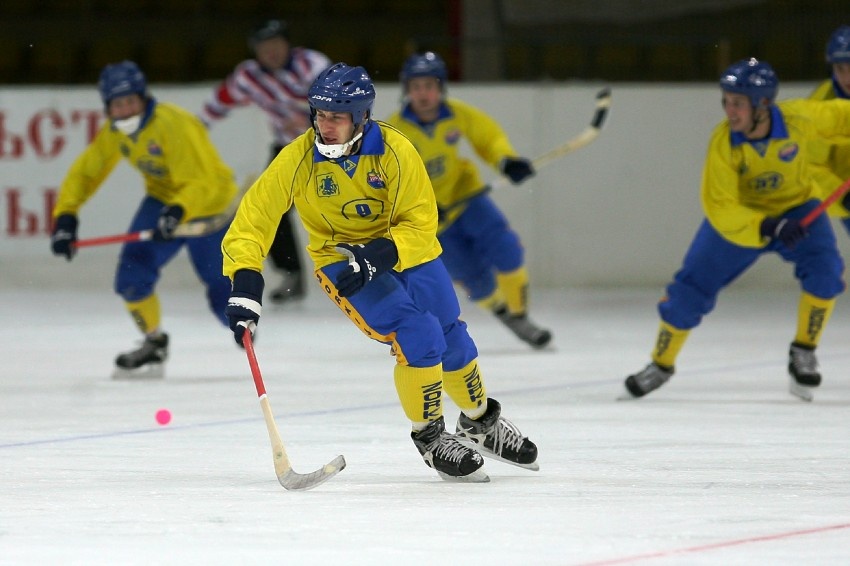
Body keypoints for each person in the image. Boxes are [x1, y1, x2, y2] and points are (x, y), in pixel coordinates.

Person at [222, 62, 539, 482]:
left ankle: (480, 423)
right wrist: (245, 280)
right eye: (320, 115)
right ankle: (430, 437)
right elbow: (253, 221)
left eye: (337, 117)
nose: (325, 126)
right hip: (341, 262)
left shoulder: (395, 150)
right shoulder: (297, 158)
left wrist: (379, 254)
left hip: (405, 251)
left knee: (451, 335)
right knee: (417, 332)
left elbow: (421, 220)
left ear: (361, 116)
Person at [621, 58, 850, 402]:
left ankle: (804, 350)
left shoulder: (798, 118)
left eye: (738, 103)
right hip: (743, 222)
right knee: (688, 292)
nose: (730, 111)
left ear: (764, 103)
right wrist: (768, 225)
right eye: (726, 101)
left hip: (797, 210)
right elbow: (721, 206)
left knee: (826, 273)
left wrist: (782, 220)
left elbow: (842, 115)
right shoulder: (724, 142)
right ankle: (661, 364)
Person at [50, 61, 238, 379]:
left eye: (130, 101)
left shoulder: (174, 124)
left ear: (143, 97)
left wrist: (177, 211)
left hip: (209, 209)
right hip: (165, 203)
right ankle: (154, 342)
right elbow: (86, 172)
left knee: (223, 297)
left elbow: (201, 182)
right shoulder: (116, 131)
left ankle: (243, 330)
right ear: (108, 107)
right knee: (131, 276)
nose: (124, 110)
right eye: (117, 104)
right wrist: (66, 215)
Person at [384, 52, 552, 349]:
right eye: (416, 86)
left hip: (465, 197)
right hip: (431, 222)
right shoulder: (394, 132)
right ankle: (505, 314)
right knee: (473, 277)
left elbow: (489, 137)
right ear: (406, 89)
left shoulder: (457, 115)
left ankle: (520, 314)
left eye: (429, 86)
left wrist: (506, 160)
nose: (423, 94)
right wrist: (416, 207)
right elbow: (386, 179)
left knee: (505, 247)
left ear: (441, 87)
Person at [199, 18, 331, 304]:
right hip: (288, 150)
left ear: (288, 44)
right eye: (264, 47)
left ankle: (374, 264)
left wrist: (309, 118)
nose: (271, 52)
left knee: (347, 203)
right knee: (268, 210)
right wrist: (193, 133)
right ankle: (291, 274)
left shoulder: (313, 65)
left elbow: (340, 103)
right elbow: (219, 102)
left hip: (331, 147)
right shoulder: (249, 76)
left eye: (276, 44)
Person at [808, 25, 850, 235]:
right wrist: (845, 197)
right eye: (840, 69)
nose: (847, 78)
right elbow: (809, 166)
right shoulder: (821, 106)